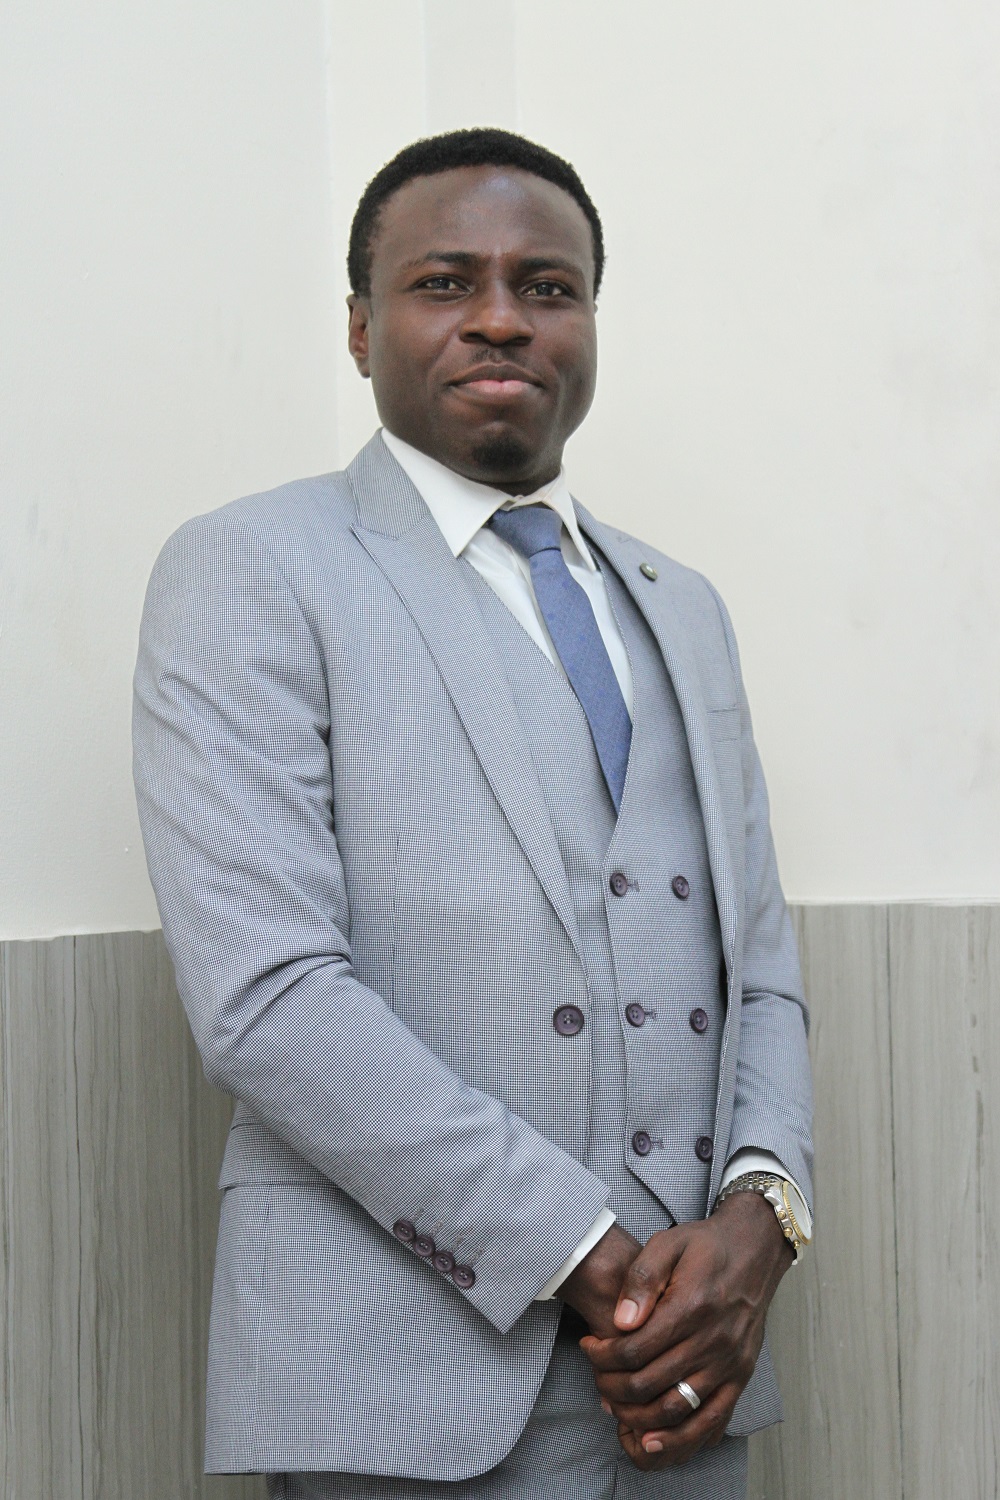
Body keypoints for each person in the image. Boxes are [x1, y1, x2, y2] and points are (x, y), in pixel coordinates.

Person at [133, 128, 813, 1500]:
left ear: (590, 324)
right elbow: (266, 996)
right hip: (403, 1382)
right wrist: (582, 1250)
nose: (502, 317)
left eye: (547, 287)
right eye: (446, 282)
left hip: (688, 1381)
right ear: (359, 327)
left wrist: (763, 1216)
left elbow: (761, 967)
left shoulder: (683, 605)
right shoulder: (250, 567)